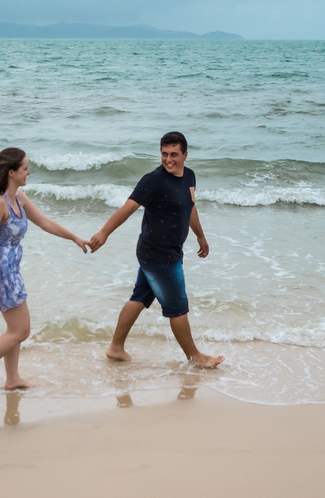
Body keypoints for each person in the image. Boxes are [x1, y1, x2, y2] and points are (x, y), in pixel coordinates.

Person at [89, 132, 224, 368]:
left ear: (185, 155)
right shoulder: (153, 180)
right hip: (158, 253)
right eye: (164, 154)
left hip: (167, 251)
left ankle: (116, 348)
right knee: (178, 308)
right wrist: (104, 232)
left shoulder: (189, 176)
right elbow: (127, 208)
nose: (168, 159)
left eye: (174, 154)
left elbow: (190, 206)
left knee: (140, 297)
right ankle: (195, 357)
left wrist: (200, 235)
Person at [0, 147, 90, 395]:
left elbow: (45, 222)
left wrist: (74, 238)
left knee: (14, 331)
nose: (28, 172)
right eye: (25, 168)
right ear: (11, 172)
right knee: (20, 331)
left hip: (11, 271)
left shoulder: (19, 198)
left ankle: (12, 378)